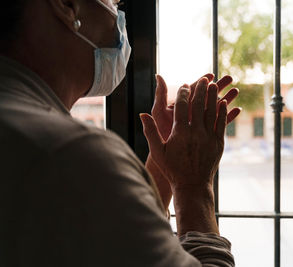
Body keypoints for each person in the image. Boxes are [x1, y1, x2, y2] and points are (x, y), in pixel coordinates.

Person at [0, 0, 242, 266]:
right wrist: (193, 187)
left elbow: (124, 246)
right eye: (113, 2)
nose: (119, 16)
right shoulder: (71, 154)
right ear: (67, 6)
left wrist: (164, 166)